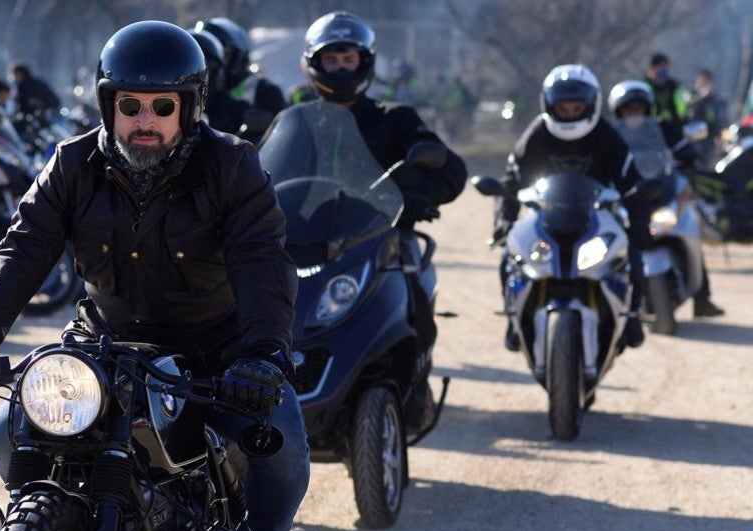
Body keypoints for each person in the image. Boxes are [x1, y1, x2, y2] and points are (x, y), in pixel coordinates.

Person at [0, 20, 307, 531]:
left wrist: (262, 355)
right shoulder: (72, 165)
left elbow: (263, 262)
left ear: (189, 108)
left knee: (280, 444)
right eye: (130, 105)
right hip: (104, 343)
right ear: (108, 105)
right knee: (8, 435)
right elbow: (19, 253)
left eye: (162, 107)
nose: (144, 121)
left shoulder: (232, 166)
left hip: (216, 348)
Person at [301, 11, 467, 433]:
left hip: (381, 237)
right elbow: (262, 169)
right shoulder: (297, 120)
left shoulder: (396, 118)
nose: (341, 68)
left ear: (365, 62)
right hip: (304, 240)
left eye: (349, 59)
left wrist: (420, 195)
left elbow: (451, 169)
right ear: (315, 63)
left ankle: (414, 384)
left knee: (414, 291)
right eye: (332, 60)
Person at [495, 65, 650, 349]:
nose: (569, 114)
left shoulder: (607, 136)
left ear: (591, 105)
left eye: (576, 108)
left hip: (598, 218)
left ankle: (630, 317)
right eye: (562, 108)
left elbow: (632, 183)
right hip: (544, 216)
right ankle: (515, 319)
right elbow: (511, 182)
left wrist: (639, 224)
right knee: (510, 258)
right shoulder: (536, 134)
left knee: (634, 258)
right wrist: (504, 222)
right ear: (549, 106)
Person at [610, 80, 724, 318]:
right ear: (619, 111)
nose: (635, 113)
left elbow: (684, 151)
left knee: (691, 231)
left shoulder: (662, 127)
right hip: (628, 199)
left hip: (661, 191)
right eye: (629, 109)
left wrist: (689, 158)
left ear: (647, 108)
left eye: (639, 108)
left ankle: (702, 299)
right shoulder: (611, 134)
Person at [195, 17, 287, 141]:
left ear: (239, 57)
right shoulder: (199, 92)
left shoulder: (265, 91)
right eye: (202, 55)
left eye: (223, 54)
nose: (208, 64)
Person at [187, 27, 248, 135]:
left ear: (219, 73)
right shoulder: (170, 109)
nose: (198, 81)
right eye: (189, 74)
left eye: (207, 71)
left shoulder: (237, 111)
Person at [688, 69, 727, 166]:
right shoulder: (690, 95)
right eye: (703, 81)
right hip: (691, 137)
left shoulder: (714, 100)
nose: (705, 85)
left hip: (708, 139)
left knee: (704, 166)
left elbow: (718, 120)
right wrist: (701, 98)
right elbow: (687, 110)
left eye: (707, 82)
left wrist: (719, 135)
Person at [646, 53, 690, 127]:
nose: (664, 70)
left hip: (674, 128)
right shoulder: (644, 88)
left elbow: (685, 107)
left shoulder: (675, 86)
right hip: (651, 128)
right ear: (652, 68)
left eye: (666, 67)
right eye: (661, 67)